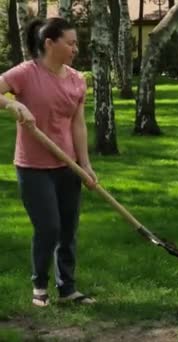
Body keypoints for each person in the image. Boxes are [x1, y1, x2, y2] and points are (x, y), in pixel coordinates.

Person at [0, 18, 97, 306]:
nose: (75, 48)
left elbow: (78, 125)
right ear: (49, 44)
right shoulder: (26, 73)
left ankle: (67, 288)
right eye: (70, 43)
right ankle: (39, 285)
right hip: (33, 167)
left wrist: (86, 164)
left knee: (68, 228)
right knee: (49, 228)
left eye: (76, 43)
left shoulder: (77, 80)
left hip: (68, 164)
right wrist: (12, 103)